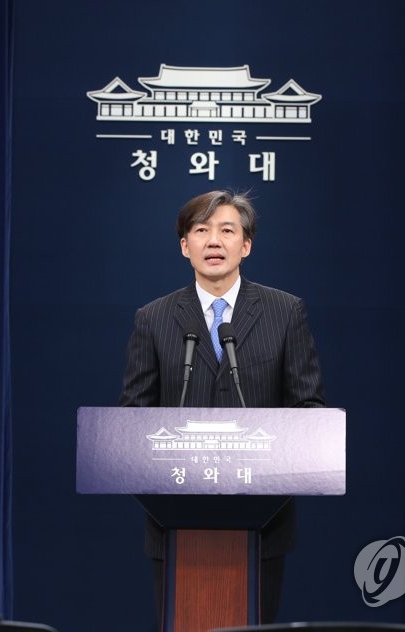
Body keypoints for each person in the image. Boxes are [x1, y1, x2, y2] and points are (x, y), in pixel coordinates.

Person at [120, 190, 326, 623]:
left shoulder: (285, 312)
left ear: (245, 245)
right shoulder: (153, 318)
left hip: (262, 523)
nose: (213, 240)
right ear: (185, 246)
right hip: (174, 523)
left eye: (227, 230)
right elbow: (133, 420)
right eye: (201, 230)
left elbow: (308, 410)